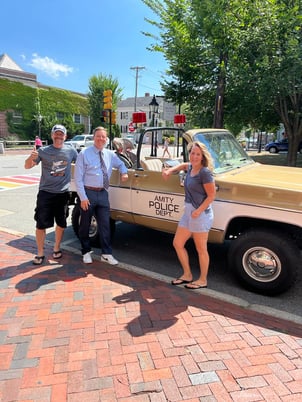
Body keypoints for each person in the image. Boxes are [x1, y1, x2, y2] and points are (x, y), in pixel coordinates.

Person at [162, 141, 216, 289]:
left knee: (201, 249)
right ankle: (187, 275)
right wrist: (169, 171)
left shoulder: (204, 172)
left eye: (198, 154)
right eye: (192, 153)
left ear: (203, 156)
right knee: (178, 243)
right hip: (188, 213)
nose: (194, 156)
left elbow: (211, 196)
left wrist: (198, 211)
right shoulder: (191, 167)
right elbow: (183, 165)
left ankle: (203, 280)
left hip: (200, 214)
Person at [74, 126, 128, 265]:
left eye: (103, 137)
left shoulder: (110, 154)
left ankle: (106, 253)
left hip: (103, 193)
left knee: (105, 225)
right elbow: (78, 178)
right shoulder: (84, 154)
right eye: (98, 136)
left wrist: (124, 172)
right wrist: (83, 197)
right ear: (94, 138)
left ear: (106, 139)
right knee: (85, 224)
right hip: (88, 193)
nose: (101, 139)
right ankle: (86, 251)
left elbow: (121, 163)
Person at [24, 124, 78, 265]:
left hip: (63, 193)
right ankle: (40, 252)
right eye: (56, 133)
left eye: (61, 134)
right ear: (52, 135)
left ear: (65, 136)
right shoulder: (42, 151)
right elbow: (27, 166)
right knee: (41, 224)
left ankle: (56, 247)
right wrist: (31, 157)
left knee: (61, 222)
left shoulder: (71, 151)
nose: (59, 136)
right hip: (45, 193)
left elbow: (82, 164)